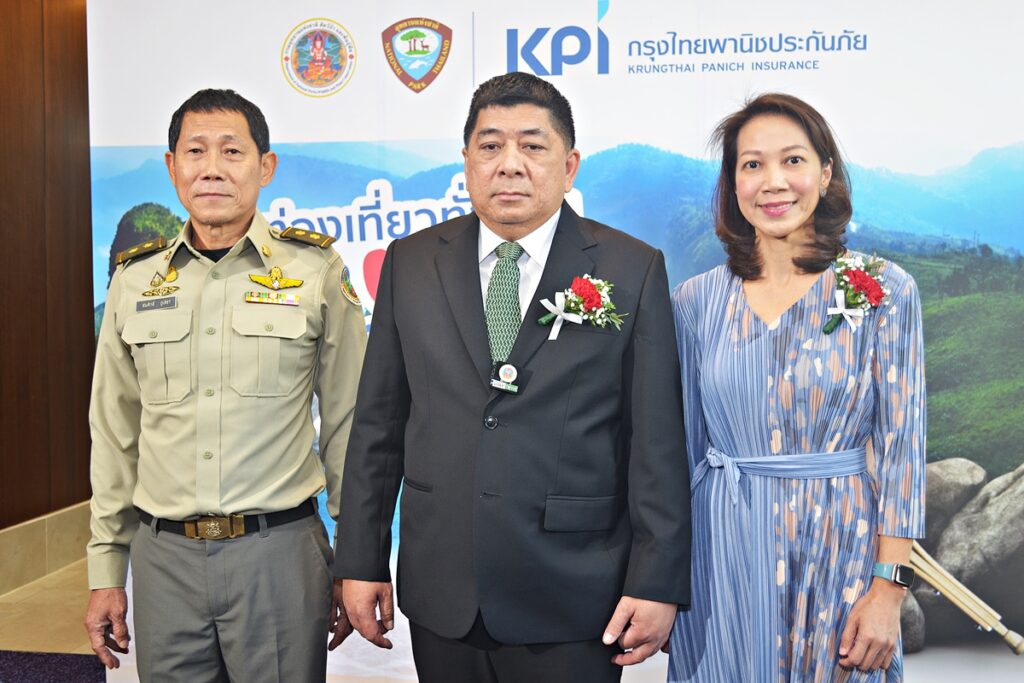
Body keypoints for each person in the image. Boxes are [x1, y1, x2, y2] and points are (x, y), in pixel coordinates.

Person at [334, 72, 691, 683]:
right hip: (443, 585)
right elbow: (378, 426)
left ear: (569, 165)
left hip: (576, 591)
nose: (510, 164)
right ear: (467, 161)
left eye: (532, 145)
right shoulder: (411, 262)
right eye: (491, 145)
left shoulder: (631, 268)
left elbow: (654, 441)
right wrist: (362, 560)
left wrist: (657, 581)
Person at [83, 88, 366, 681]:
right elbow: (114, 434)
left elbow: (349, 424)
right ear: (172, 166)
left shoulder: (314, 271)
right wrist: (106, 568)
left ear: (266, 166)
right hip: (164, 560)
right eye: (196, 151)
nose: (212, 168)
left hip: (278, 555)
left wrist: (357, 557)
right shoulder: (135, 281)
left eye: (232, 151)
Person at [667, 93, 926, 681]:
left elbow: (902, 455)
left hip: (838, 555)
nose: (773, 182)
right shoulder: (695, 302)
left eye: (793, 160)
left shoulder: (883, 290)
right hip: (721, 559)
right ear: (733, 184)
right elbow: (678, 455)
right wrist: (663, 584)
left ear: (826, 172)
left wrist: (888, 591)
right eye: (752, 164)